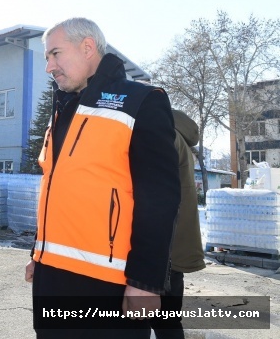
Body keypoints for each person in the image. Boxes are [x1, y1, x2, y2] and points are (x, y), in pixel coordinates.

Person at [24, 18, 180, 338]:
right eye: (46, 58)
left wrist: (146, 281)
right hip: (51, 279)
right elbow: (56, 190)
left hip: (108, 285)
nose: (49, 67)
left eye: (55, 54)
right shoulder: (63, 111)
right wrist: (36, 255)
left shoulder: (141, 101)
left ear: (87, 47)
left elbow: (159, 198)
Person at [151, 109, 206, 338]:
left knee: (159, 322)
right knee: (168, 321)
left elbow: (153, 196)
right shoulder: (177, 133)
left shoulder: (161, 135)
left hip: (159, 251)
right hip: (174, 249)